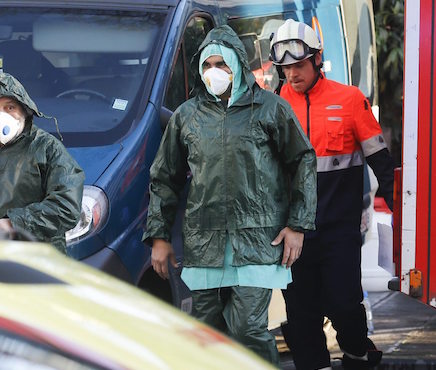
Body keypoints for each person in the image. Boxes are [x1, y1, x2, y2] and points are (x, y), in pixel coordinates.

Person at [143, 25, 317, 365]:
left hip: (257, 243)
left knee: (248, 329)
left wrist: (297, 225)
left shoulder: (270, 109)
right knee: (208, 333)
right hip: (205, 244)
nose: (214, 73)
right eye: (207, 65)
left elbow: (302, 161)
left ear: (238, 64)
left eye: (222, 64)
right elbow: (164, 178)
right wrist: (159, 238)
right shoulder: (186, 117)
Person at [270, 19, 394, 369]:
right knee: (302, 316)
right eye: (285, 68)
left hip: (340, 230)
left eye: (298, 65)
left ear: (317, 59)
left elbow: (382, 165)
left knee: (344, 305)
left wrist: (407, 217)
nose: (292, 74)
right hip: (292, 234)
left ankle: (357, 351)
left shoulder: (351, 100)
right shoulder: (272, 108)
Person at [0, 71, 84, 253]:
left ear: (24, 109)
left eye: (10, 108)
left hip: (37, 260)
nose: (1, 116)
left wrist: (14, 223)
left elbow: (67, 207)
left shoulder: (47, 148)